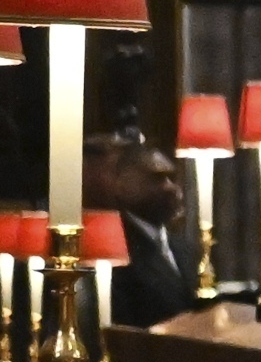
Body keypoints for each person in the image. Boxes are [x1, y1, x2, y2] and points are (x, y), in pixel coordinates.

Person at [85, 132, 203, 330]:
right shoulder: (116, 250)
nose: (170, 187)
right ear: (121, 184)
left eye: (171, 178)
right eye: (156, 179)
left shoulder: (185, 248)